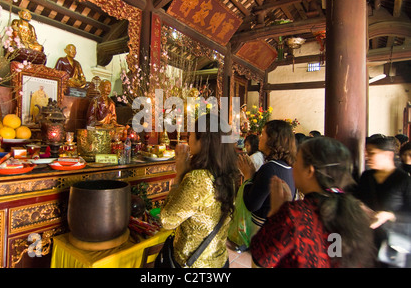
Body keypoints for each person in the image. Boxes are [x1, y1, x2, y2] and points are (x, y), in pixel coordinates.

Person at [251, 137, 375, 268]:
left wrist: (275, 213)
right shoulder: (356, 213)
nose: (292, 166)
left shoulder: (294, 214)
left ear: (309, 171)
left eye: (297, 161)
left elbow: (260, 259)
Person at [159, 113, 239, 268]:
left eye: (191, 135)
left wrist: (179, 175)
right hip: (220, 260)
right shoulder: (229, 173)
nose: (188, 139)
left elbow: (167, 220)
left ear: (202, 140)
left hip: (193, 263)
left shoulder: (198, 179)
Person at [353, 135, 411, 266]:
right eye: (367, 153)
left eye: (372, 153)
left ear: (388, 155)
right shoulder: (366, 177)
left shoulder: (403, 180)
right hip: (368, 242)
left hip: (393, 244)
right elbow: (357, 199)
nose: (367, 157)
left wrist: (389, 215)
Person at [238, 120, 296, 235]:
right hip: (276, 228)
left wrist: (248, 176)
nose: (260, 137)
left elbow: (252, 205)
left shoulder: (270, 168)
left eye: (263, 134)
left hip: (260, 231)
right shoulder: (287, 166)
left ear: (272, 139)